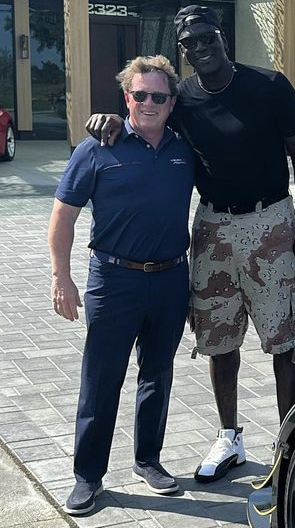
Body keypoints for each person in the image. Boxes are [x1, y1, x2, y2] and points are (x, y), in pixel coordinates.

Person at [86, 5, 295, 485]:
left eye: (208, 37)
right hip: (212, 227)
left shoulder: (270, 86)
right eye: (191, 41)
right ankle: (229, 436)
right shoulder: (184, 97)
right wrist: (112, 120)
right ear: (183, 50)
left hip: (271, 222)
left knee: (285, 340)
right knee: (218, 337)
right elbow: (148, 115)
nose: (201, 47)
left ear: (222, 38)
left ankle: (288, 440)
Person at [50, 56, 194, 516]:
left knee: (157, 373)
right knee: (102, 379)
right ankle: (88, 477)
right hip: (113, 280)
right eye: (139, 95)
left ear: (172, 102)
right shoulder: (96, 147)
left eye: (158, 96)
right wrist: (61, 276)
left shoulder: (185, 147)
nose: (148, 103)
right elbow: (63, 216)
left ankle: (148, 461)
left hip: (171, 278)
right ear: (126, 97)